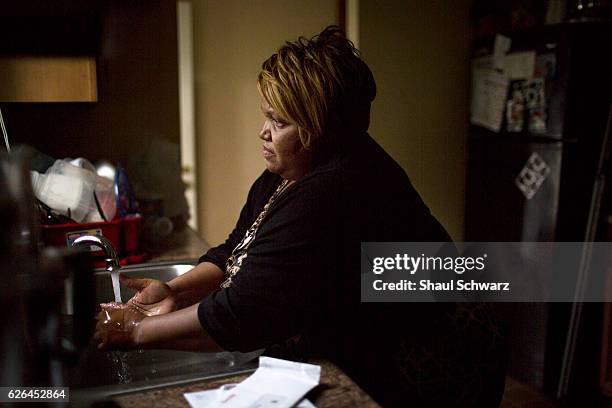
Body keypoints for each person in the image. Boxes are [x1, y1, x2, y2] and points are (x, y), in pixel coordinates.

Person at [96, 26, 506, 406]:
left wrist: (133, 332)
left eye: (280, 120)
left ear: (322, 130)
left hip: (433, 352)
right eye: (267, 114)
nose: (264, 131)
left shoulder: (333, 192)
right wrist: (178, 290)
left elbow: (242, 314)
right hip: (376, 332)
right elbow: (236, 249)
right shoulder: (288, 174)